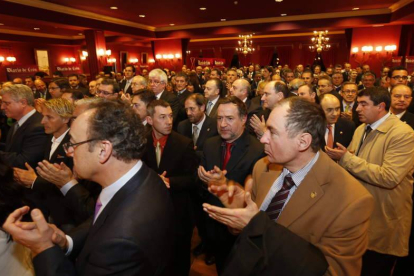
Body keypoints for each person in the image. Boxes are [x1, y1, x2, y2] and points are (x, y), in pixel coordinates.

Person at [203, 97, 374, 276]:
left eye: (272, 132)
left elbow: (332, 272)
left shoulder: (352, 201)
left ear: (303, 141)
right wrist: (240, 206)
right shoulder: (263, 167)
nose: (263, 139)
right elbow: (247, 234)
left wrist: (258, 226)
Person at [3, 100, 175, 275]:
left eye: (74, 144)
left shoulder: (121, 241)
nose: (69, 152)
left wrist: (43, 248)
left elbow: (113, 233)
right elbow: (104, 218)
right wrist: (66, 241)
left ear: (103, 150)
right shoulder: (141, 177)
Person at [326, 87, 414, 276]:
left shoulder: (403, 134)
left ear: (381, 106)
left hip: (384, 219)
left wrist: (346, 159)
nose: (357, 108)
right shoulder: (360, 129)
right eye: (358, 103)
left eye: (363, 104)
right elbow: (352, 162)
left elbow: (389, 177)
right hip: (361, 215)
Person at [198, 96, 265, 273]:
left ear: (244, 119)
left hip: (241, 233)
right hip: (214, 225)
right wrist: (205, 181)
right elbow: (201, 189)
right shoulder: (210, 144)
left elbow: (256, 197)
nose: (222, 124)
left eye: (229, 118)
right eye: (219, 118)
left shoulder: (258, 150)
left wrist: (221, 184)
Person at [142, 99, 199, 276]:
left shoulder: (184, 143)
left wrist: (169, 182)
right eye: (162, 117)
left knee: (178, 258)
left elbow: (193, 179)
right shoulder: (139, 141)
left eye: (170, 116)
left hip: (177, 211)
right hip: (147, 211)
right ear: (150, 120)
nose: (168, 121)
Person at [0, 84, 47, 169]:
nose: (2, 107)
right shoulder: (17, 122)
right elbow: (11, 147)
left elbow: (24, 161)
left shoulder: (38, 127)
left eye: (6, 103)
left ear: (23, 103)